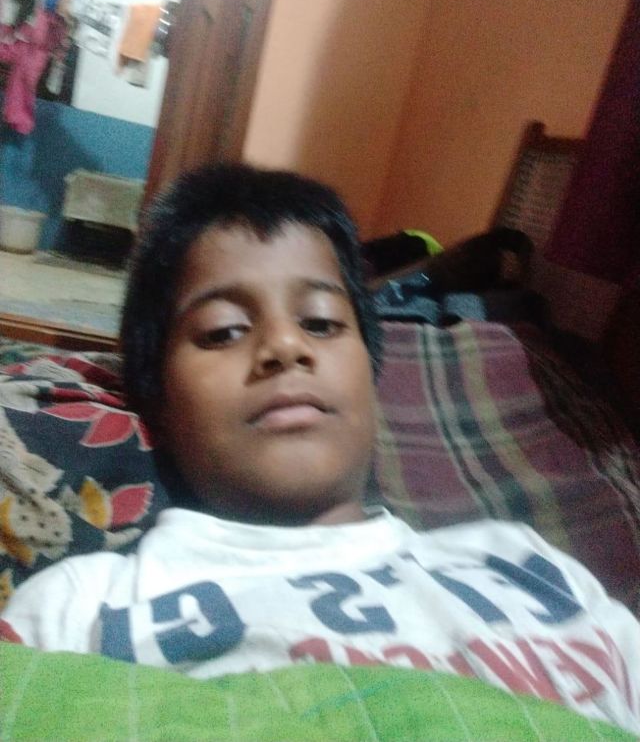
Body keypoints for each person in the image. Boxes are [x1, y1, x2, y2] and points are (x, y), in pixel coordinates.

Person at [2, 164, 640, 733]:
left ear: (370, 374)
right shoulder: (78, 610)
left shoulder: (529, 566)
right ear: (156, 399)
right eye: (223, 331)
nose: (286, 346)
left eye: (322, 323)